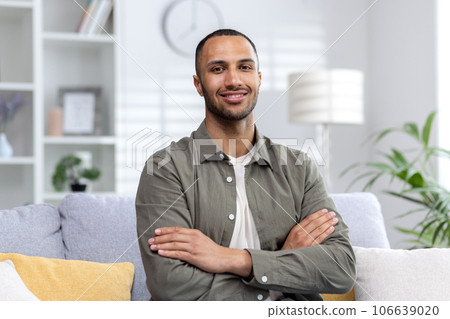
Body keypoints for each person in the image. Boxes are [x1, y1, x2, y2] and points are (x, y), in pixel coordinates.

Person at [136, 29, 356, 301]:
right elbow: (170, 284)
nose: (233, 79)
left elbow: (341, 268)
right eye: (218, 68)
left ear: (259, 79)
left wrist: (231, 259)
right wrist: (280, 266)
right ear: (198, 84)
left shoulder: (299, 167)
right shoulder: (165, 169)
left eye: (245, 67)